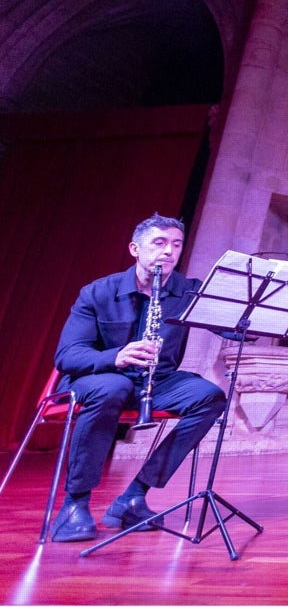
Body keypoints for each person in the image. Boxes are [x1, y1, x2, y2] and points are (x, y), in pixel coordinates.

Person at [48, 214, 227, 543]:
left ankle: (133, 495)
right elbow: (67, 355)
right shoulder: (98, 292)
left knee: (209, 396)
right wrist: (114, 356)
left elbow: (230, 324)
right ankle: (75, 504)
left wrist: (248, 319)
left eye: (176, 245)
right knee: (113, 387)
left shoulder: (187, 291)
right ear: (135, 248)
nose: (169, 252)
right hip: (98, 378)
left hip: (158, 382)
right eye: (159, 243)